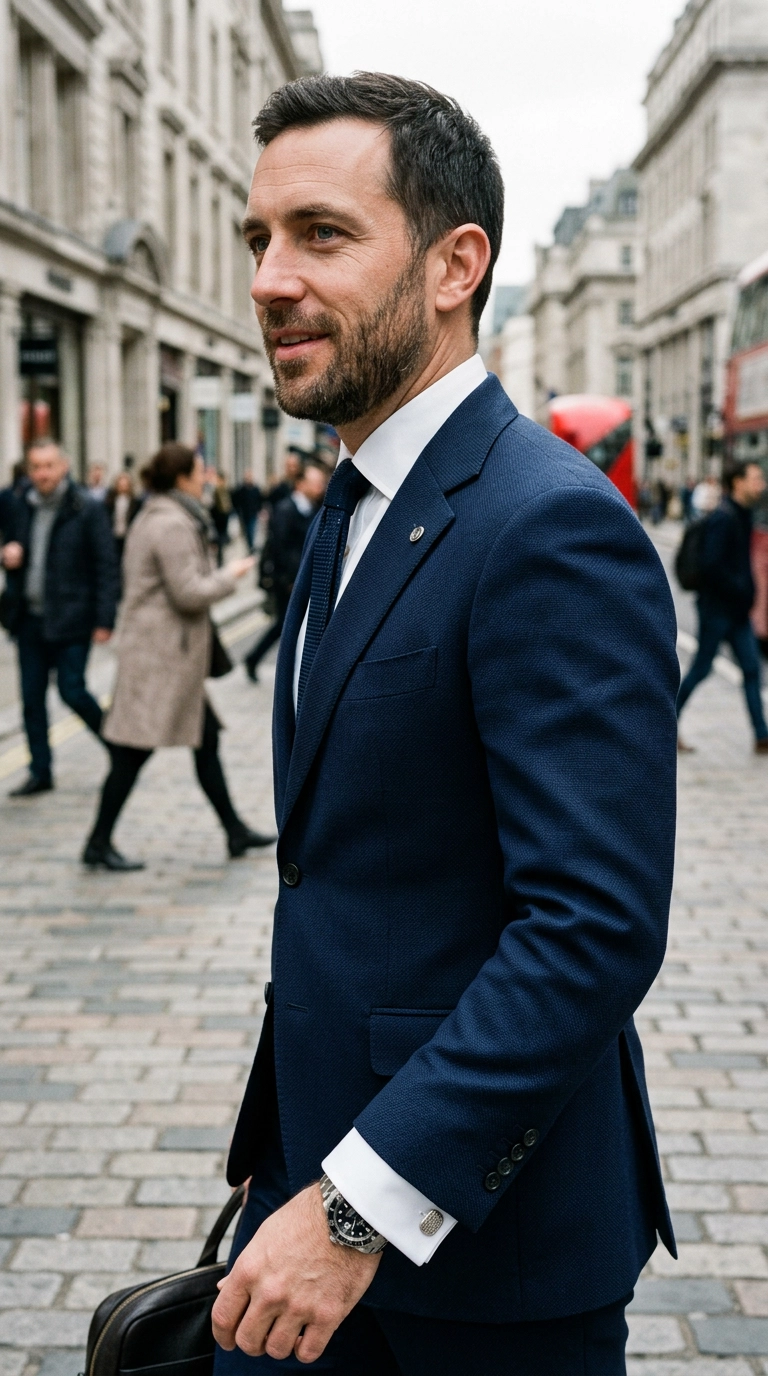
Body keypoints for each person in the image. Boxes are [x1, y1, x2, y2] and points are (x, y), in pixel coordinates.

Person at [211, 74, 678, 1376]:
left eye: (321, 234)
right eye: (258, 240)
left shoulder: (549, 525)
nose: (268, 278)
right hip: (305, 1198)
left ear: (454, 264)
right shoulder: (351, 499)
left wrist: (357, 1206)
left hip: (477, 1264)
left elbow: (590, 930)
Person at [82, 443, 275, 871]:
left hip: (167, 656)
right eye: (199, 471)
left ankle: (235, 831)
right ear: (182, 477)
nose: (204, 477)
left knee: (206, 742)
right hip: (160, 658)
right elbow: (188, 593)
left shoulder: (163, 514)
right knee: (132, 753)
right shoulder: (170, 523)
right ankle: (97, 842)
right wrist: (232, 576)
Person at [0, 440, 118, 797]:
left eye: (49, 466)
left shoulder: (86, 507)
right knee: (32, 700)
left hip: (72, 617)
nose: (43, 474)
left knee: (72, 690)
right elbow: (12, 551)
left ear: (64, 466)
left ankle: (118, 748)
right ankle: (40, 771)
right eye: (36, 467)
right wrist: (8, 556)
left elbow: (106, 566)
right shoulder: (20, 506)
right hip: (29, 619)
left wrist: (105, 618)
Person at [677, 458, 768, 753]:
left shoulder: (743, 515)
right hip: (717, 612)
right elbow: (710, 564)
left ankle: (761, 735)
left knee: (752, 670)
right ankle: (668, 724)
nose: (761, 484)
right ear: (738, 482)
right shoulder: (724, 518)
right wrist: (740, 588)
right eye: (756, 478)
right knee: (701, 668)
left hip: (738, 613)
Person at [244, 463, 326, 683]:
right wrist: (291, 578)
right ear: (300, 484)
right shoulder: (285, 509)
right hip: (287, 581)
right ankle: (255, 660)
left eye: (321, 482)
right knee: (285, 625)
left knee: (290, 626)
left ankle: (263, 662)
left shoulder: (313, 508)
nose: (320, 487)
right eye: (315, 482)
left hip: (300, 578)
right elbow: (281, 548)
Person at [105, 471, 140, 565]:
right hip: (113, 536)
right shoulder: (109, 501)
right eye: (120, 484)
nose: (123, 487)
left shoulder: (135, 502)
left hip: (128, 537)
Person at [231, 471, 264, 553]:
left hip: (253, 513)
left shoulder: (256, 489)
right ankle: (250, 545)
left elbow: (260, 500)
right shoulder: (241, 489)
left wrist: (259, 509)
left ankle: (251, 546)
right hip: (245, 514)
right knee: (247, 531)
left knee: (251, 530)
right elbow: (236, 500)